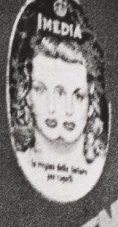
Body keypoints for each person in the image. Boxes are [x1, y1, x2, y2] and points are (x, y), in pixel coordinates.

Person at [9, 14, 108, 202]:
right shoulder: (17, 162)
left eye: (78, 95)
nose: (63, 110)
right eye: (42, 90)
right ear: (27, 95)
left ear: (91, 103)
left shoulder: (99, 168)